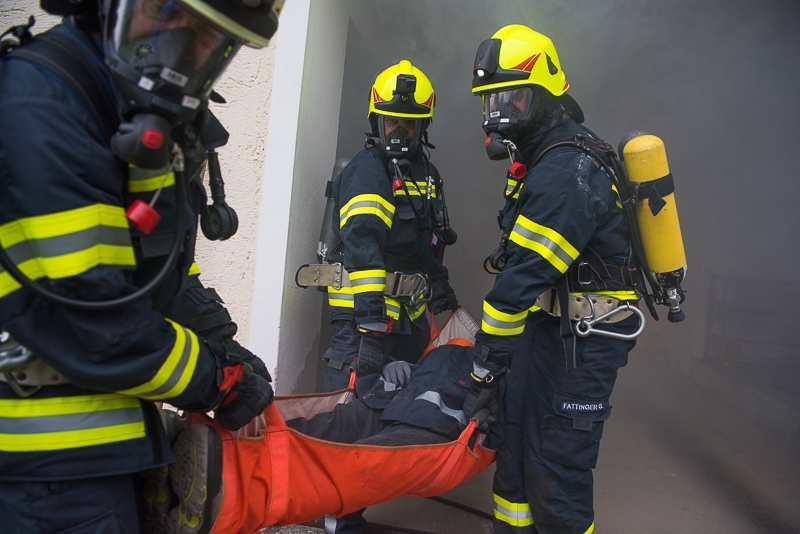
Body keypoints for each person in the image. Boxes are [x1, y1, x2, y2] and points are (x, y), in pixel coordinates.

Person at [0, 1, 283, 533]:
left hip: (99, 454)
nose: (178, 52)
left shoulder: (121, 109)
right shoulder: (42, 104)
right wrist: (216, 379)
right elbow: (95, 319)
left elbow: (153, 278)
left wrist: (224, 346)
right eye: (163, 10)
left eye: (206, 37)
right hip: (39, 468)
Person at [466, 25, 642, 534]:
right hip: (546, 332)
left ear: (545, 93)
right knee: (515, 455)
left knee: (556, 474)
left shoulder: (568, 169)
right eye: (491, 99)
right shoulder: (540, 159)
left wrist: (484, 363)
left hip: (581, 343)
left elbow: (522, 277)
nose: (498, 112)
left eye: (512, 98)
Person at [319, 58, 458, 534]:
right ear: (375, 120)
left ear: (423, 125)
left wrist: (438, 288)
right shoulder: (367, 170)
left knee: (399, 411)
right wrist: (373, 316)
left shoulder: (425, 173)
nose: (398, 130)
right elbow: (361, 241)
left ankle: (364, 498)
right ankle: (341, 518)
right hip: (366, 325)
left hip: (406, 323)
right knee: (351, 421)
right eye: (390, 120)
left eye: (408, 122)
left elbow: (421, 241)